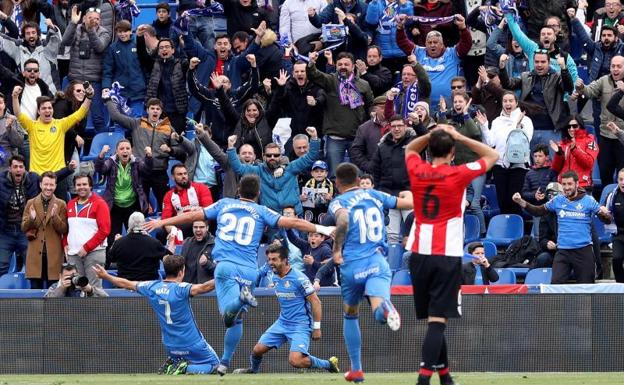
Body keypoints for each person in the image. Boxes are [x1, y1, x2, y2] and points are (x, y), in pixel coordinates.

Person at [143, 174, 334, 375]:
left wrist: (162, 222)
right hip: (249, 270)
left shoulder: (225, 204)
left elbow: (193, 216)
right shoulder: (261, 211)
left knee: (228, 318)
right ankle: (224, 363)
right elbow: (293, 223)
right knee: (237, 320)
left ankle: (236, 314)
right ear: (258, 193)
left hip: (226, 267)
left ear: (238, 192)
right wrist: (323, 228)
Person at [405, 124, 499, 385]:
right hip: (446, 255)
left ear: (430, 149)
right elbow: (492, 156)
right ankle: (423, 379)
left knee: (436, 317)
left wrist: (430, 134)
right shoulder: (458, 173)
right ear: (452, 152)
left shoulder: (418, 169)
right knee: (438, 320)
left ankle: (445, 377)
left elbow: (410, 148)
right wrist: (457, 135)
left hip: (418, 253)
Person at [330, 162, 414, 382]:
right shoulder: (375, 195)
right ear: (359, 180)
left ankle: (356, 369)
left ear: (337, 183)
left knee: (350, 314)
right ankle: (385, 308)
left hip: (352, 266)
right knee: (379, 312)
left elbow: (344, 219)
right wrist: (409, 193)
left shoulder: (338, 201)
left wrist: (337, 250)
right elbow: (410, 203)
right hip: (377, 262)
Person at [93, 255, 220, 375]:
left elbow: (126, 283)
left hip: (170, 345)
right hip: (191, 342)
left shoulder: (152, 286)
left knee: (180, 362)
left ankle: (174, 364)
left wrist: (106, 276)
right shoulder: (182, 289)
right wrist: (223, 275)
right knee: (214, 365)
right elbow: (204, 287)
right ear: (182, 272)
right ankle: (184, 368)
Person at [232, 243, 339, 374]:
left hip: (300, 324)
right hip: (282, 322)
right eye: (269, 259)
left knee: (296, 361)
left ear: (285, 260)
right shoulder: (274, 274)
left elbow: (316, 302)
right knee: (257, 350)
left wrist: (317, 327)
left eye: (274, 259)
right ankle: (253, 371)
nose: (270, 263)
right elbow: (254, 276)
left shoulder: (299, 278)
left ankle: (328, 364)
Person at [512, 170, 612, 284]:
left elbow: (607, 221)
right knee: (556, 287)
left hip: (583, 251)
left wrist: (605, 213)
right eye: (564, 184)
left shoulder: (588, 200)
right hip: (563, 251)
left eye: (569, 184)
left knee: (586, 289)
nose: (566, 187)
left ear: (577, 184)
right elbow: (538, 211)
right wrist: (521, 201)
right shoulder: (558, 200)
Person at [306, 51, 374, 177]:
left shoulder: (363, 84)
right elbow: (314, 75)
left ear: (353, 66)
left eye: (346, 64)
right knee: (333, 173)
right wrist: (311, 62)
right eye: (340, 64)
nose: (343, 67)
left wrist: (373, 114)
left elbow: (371, 105)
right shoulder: (330, 81)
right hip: (334, 137)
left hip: (356, 137)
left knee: (358, 174)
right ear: (336, 66)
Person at [227, 127, 320, 216]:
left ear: (281, 156)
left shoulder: (291, 168)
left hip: (293, 214)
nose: (272, 158)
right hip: (270, 218)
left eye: (276, 155)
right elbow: (238, 168)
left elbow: (311, 156)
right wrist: (231, 147)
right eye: (269, 155)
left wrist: (314, 138)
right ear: (264, 156)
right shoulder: (258, 170)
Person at [12, 84, 92, 176]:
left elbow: (80, 113)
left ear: (53, 110)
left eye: (50, 108)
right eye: (44, 108)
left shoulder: (61, 124)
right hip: (37, 174)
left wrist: (89, 97)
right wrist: (15, 96)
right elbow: (18, 114)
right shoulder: (31, 126)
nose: (47, 111)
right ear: (38, 111)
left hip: (58, 174)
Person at [478, 91, 533, 215]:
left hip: (518, 166)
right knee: (502, 201)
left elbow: (526, 140)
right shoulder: (497, 121)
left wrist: (518, 126)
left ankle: (517, 232)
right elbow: (490, 142)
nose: (508, 103)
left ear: (516, 103)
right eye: (505, 101)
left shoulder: (526, 120)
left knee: (514, 201)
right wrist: (484, 126)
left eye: (510, 101)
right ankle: (505, 232)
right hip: (500, 165)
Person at [62, 5, 111, 132]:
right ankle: (73, 145)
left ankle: (103, 147)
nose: (93, 21)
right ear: (83, 18)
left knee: (98, 118)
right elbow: (65, 41)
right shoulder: (76, 29)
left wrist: (90, 30)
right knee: (70, 116)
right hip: (75, 80)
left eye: (97, 19)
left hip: (93, 81)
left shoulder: (104, 32)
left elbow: (99, 47)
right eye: (90, 18)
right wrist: (72, 23)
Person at [21, 171, 68, 289]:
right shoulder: (30, 203)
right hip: (35, 256)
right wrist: (32, 219)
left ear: (55, 186)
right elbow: (23, 227)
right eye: (46, 184)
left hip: (54, 256)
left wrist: (55, 217)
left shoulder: (61, 204)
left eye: (51, 185)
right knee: (35, 294)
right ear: (40, 184)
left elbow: (64, 229)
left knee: (54, 294)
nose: (48, 188)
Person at [65, 174, 111, 289]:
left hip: (94, 253)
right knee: (76, 289)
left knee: (93, 289)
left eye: (84, 184)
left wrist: (86, 247)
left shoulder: (100, 204)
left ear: (91, 186)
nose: (81, 187)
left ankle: (96, 308)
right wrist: (65, 244)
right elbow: (67, 229)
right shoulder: (70, 204)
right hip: (74, 255)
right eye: (78, 185)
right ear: (75, 187)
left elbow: (105, 230)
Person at [108, 212, 173, 281]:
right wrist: (171, 244)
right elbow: (169, 259)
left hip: (124, 285)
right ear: (143, 224)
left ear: (129, 224)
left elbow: (110, 258)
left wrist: (115, 242)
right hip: (149, 286)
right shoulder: (154, 243)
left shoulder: (119, 243)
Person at [550, 116, 599, 194]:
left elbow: (589, 163)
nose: (571, 129)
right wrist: (559, 153)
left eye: (575, 126)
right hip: (564, 186)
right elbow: (556, 168)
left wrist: (574, 150)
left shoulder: (589, 141)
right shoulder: (563, 143)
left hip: (582, 186)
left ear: (581, 126)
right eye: (569, 126)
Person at [606, 168, 624, 282]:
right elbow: (604, 214)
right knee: (616, 259)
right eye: (621, 179)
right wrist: (604, 213)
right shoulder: (612, 196)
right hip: (619, 234)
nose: (623, 182)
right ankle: (620, 285)